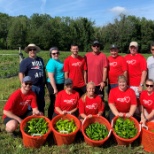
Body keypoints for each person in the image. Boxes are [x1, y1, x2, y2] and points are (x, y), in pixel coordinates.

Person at [19, 43, 46, 113]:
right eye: (30, 49)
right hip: (31, 86)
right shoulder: (25, 61)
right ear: (28, 51)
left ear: (36, 50)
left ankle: (41, 117)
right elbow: (21, 73)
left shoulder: (40, 60)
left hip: (40, 85)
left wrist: (44, 82)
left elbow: (43, 70)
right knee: (31, 104)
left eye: (34, 49)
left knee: (41, 103)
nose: (32, 51)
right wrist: (23, 84)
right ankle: (31, 118)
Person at [46, 47, 64, 119]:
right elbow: (51, 77)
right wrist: (55, 89)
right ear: (50, 54)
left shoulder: (58, 61)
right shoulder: (51, 62)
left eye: (57, 53)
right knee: (54, 102)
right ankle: (51, 118)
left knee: (59, 101)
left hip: (60, 84)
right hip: (53, 84)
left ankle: (57, 116)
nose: (56, 54)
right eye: (54, 53)